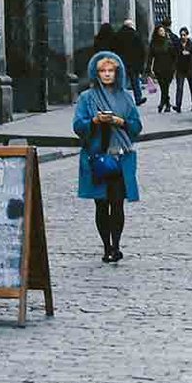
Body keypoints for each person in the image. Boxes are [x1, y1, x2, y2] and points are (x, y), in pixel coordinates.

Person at [73, 50, 142, 262]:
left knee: (117, 203)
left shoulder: (125, 97)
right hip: (97, 157)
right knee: (101, 203)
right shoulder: (87, 98)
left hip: (120, 157)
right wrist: (94, 121)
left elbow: (136, 126)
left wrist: (120, 122)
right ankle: (106, 246)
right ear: (96, 73)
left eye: (110, 70)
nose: (107, 74)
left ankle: (117, 245)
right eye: (102, 71)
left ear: (117, 72)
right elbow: (78, 126)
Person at [113, 20, 147, 104]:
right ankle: (138, 98)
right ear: (131, 26)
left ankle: (121, 100)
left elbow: (114, 48)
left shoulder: (118, 35)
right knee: (135, 81)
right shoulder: (135, 35)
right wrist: (142, 64)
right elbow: (141, 50)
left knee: (122, 81)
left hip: (122, 61)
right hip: (133, 62)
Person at [149, 23, 178, 113]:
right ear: (157, 32)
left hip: (168, 67)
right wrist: (148, 68)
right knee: (163, 86)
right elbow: (150, 56)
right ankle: (166, 103)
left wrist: (175, 66)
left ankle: (163, 103)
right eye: (160, 31)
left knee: (166, 86)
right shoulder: (154, 43)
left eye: (163, 31)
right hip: (158, 67)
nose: (162, 32)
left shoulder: (169, 42)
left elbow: (174, 55)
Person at [172, 26, 192, 113]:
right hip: (180, 68)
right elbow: (175, 55)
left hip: (189, 68)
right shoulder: (177, 44)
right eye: (181, 35)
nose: (182, 37)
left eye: (184, 35)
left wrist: (189, 54)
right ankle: (178, 105)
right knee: (179, 88)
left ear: (187, 35)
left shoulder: (191, 44)